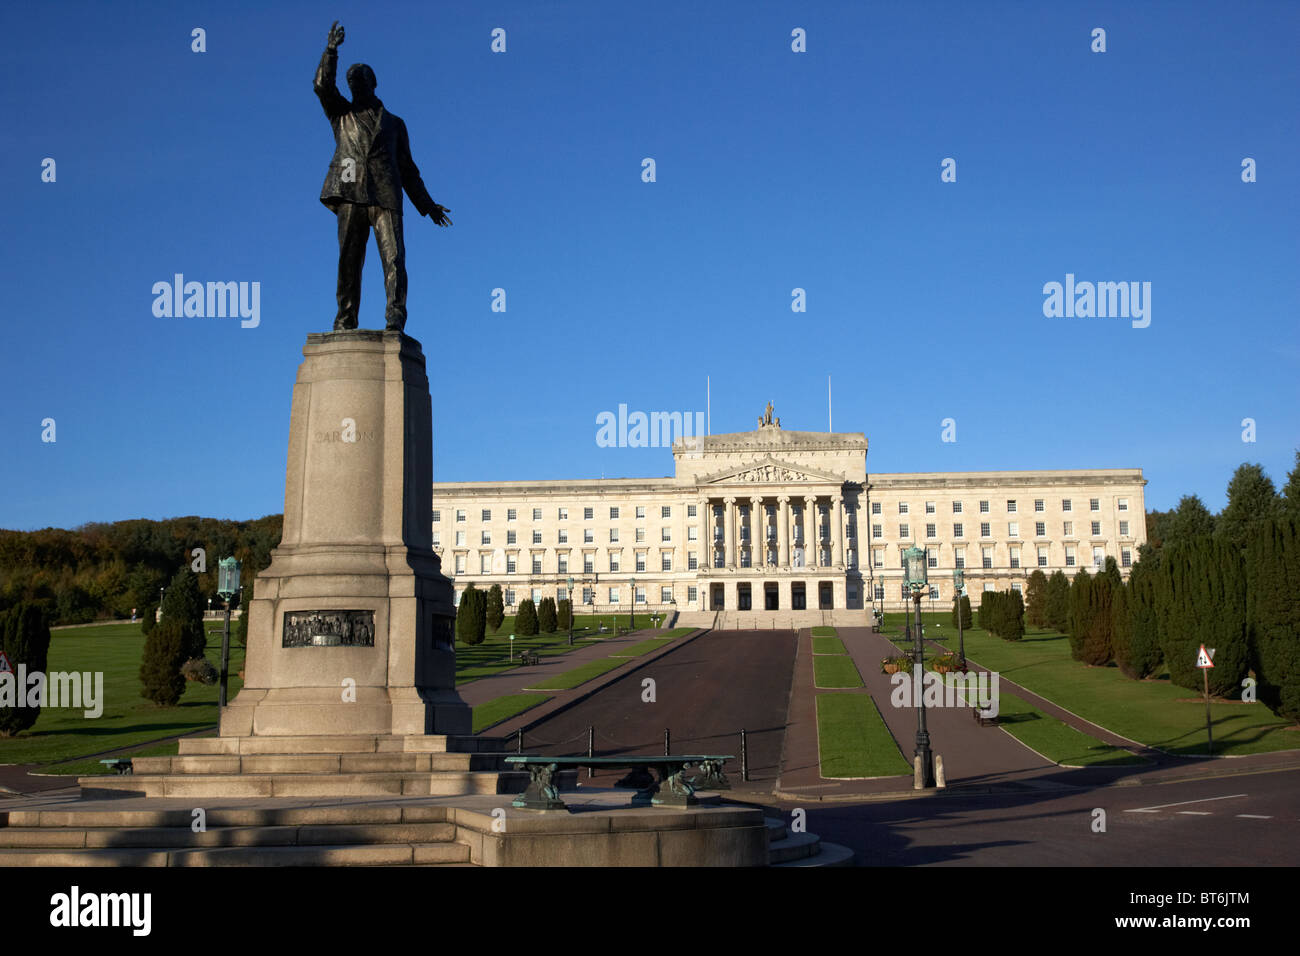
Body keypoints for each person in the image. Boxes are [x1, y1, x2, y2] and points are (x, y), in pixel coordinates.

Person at [314, 21, 451, 332]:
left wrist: (428, 206)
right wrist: (331, 52)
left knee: (393, 260)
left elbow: (408, 169)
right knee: (348, 262)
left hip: (386, 196)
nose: (354, 86)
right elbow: (322, 86)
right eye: (351, 82)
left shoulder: (394, 124)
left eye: (359, 80)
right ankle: (345, 318)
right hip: (349, 192)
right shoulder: (341, 115)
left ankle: (395, 318)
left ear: (373, 83)